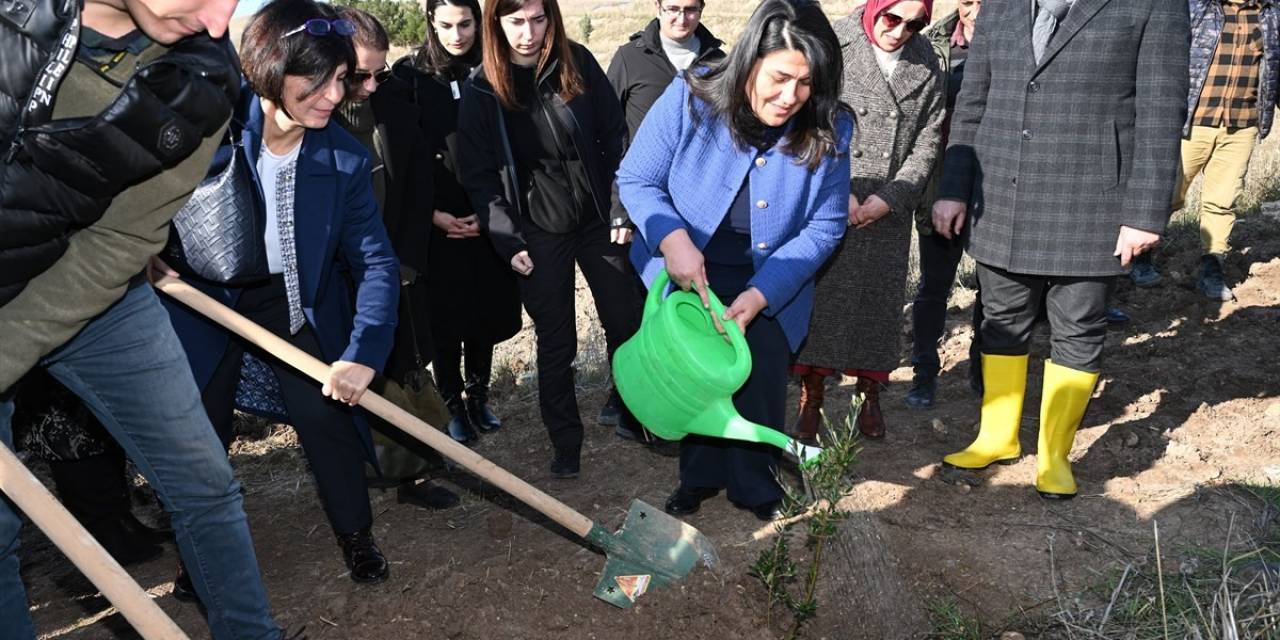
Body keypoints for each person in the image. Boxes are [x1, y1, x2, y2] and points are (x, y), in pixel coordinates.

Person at [0, 0, 290, 637]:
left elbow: (116, 243)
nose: (218, 22)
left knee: (204, 485)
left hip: (98, 287)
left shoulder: (205, 81)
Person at [162, 0, 400, 585]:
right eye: (314, 80)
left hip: (288, 300)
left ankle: (356, 536)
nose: (331, 95)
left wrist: (361, 356)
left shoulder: (343, 157)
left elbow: (375, 262)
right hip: (200, 296)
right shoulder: (209, 122)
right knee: (199, 434)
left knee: (325, 417)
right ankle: (202, 559)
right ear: (270, 71)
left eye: (340, 79)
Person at [933, 0, 1189, 499]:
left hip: (1092, 200)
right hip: (1000, 194)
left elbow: (1162, 112)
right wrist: (953, 187)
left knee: (1078, 328)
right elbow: (972, 103)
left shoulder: (1155, 5)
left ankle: (1054, 454)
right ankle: (996, 437)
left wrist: (1142, 213)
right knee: (1001, 319)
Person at [618, 0, 853, 521]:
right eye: (779, 78)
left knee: (760, 378)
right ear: (750, 61)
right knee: (695, 376)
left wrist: (762, 293)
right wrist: (670, 237)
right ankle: (696, 478)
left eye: (807, 83)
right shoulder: (693, 95)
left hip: (769, 279)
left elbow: (825, 225)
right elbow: (637, 178)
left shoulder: (830, 127)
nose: (790, 97)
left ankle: (757, 487)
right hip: (689, 269)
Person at [457, 0, 646, 478]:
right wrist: (508, 239)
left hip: (599, 218)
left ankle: (637, 411)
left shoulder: (576, 61)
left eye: (538, 20)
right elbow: (479, 176)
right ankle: (566, 441)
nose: (528, 32)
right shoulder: (483, 87)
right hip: (537, 228)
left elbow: (616, 136)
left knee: (625, 320)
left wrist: (622, 205)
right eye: (516, 21)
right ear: (496, 23)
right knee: (557, 340)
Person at [791, 0, 945, 442]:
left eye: (914, 24)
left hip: (887, 209)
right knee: (825, 305)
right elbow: (806, 117)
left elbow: (929, 140)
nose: (900, 32)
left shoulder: (928, 60)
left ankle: (869, 395)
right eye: (892, 19)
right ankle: (812, 396)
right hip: (830, 194)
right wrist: (839, 192)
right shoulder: (831, 43)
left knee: (876, 308)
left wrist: (892, 197)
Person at [331, 6, 461, 510]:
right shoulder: (314, 121)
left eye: (378, 73)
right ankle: (353, 476)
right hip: (339, 278)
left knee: (406, 364)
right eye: (357, 75)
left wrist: (405, 261)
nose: (369, 86)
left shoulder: (395, 106)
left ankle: (414, 475)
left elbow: (416, 188)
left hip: (395, 266)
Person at [396, 0, 523, 446]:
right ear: (431, 20)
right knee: (447, 318)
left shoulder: (493, 69)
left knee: (483, 312)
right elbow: (401, 156)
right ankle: (451, 403)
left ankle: (478, 397)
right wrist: (432, 216)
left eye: (466, 23)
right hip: (437, 218)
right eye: (447, 25)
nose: (457, 35)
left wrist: (494, 214)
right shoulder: (408, 77)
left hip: (488, 211)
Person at [598, 0, 725, 429]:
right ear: (656, 5)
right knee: (634, 307)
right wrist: (619, 209)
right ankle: (627, 395)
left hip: (696, 210)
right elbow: (610, 135)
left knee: (683, 308)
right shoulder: (629, 58)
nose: (681, 18)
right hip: (639, 207)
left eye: (691, 8)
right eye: (672, 7)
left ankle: (678, 396)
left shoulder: (720, 63)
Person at [1128, 0, 1280, 300]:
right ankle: (1139, 258)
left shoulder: (1272, 15)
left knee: (1222, 202)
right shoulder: (1195, 7)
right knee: (1166, 194)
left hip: (1241, 125)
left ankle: (1212, 268)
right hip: (1191, 123)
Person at [904, 0, 984, 410]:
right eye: (968, 2)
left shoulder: (1014, 42)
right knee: (934, 286)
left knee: (993, 290)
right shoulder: (930, 43)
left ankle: (982, 369)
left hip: (993, 188)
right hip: (939, 186)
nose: (975, 11)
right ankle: (923, 374)